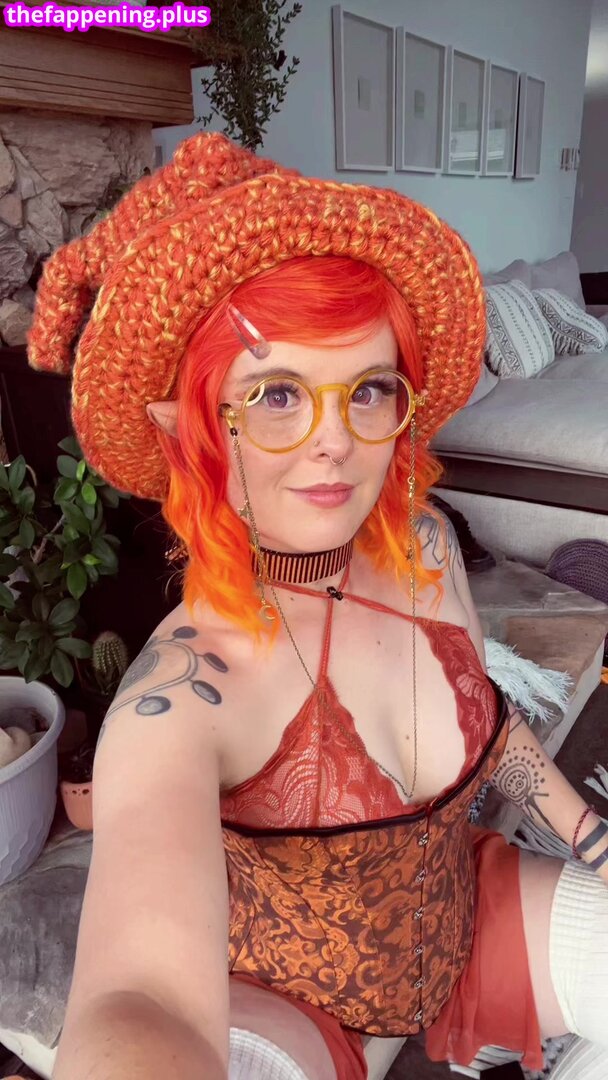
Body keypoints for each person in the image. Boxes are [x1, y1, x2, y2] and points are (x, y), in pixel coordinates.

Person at [27, 133, 607, 1080]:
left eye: (367, 388)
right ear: (190, 427)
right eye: (275, 395)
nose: (335, 441)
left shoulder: (423, 546)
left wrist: (590, 835)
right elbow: (143, 999)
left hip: (465, 916)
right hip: (301, 1011)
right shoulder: (178, 700)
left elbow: (488, 717)